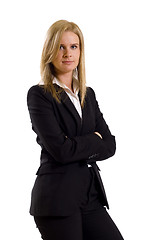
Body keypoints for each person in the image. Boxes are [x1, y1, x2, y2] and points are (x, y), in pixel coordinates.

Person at [27, 20, 124, 240]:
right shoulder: (39, 95)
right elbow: (60, 150)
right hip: (57, 199)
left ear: (81, 51)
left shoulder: (87, 95)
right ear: (50, 51)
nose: (68, 53)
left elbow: (110, 145)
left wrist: (78, 144)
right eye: (61, 46)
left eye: (74, 46)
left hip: (90, 195)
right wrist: (93, 139)